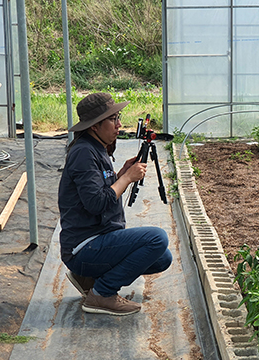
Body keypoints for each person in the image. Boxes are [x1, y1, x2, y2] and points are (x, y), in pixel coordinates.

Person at [58, 92, 172, 316]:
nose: (119, 124)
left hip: (96, 241)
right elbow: (96, 203)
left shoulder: (96, 148)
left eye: (118, 117)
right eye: (113, 119)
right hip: (85, 246)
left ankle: (88, 278)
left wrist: (120, 173)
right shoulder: (83, 152)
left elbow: (99, 190)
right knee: (157, 238)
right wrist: (127, 178)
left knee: (162, 258)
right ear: (94, 126)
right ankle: (102, 293)